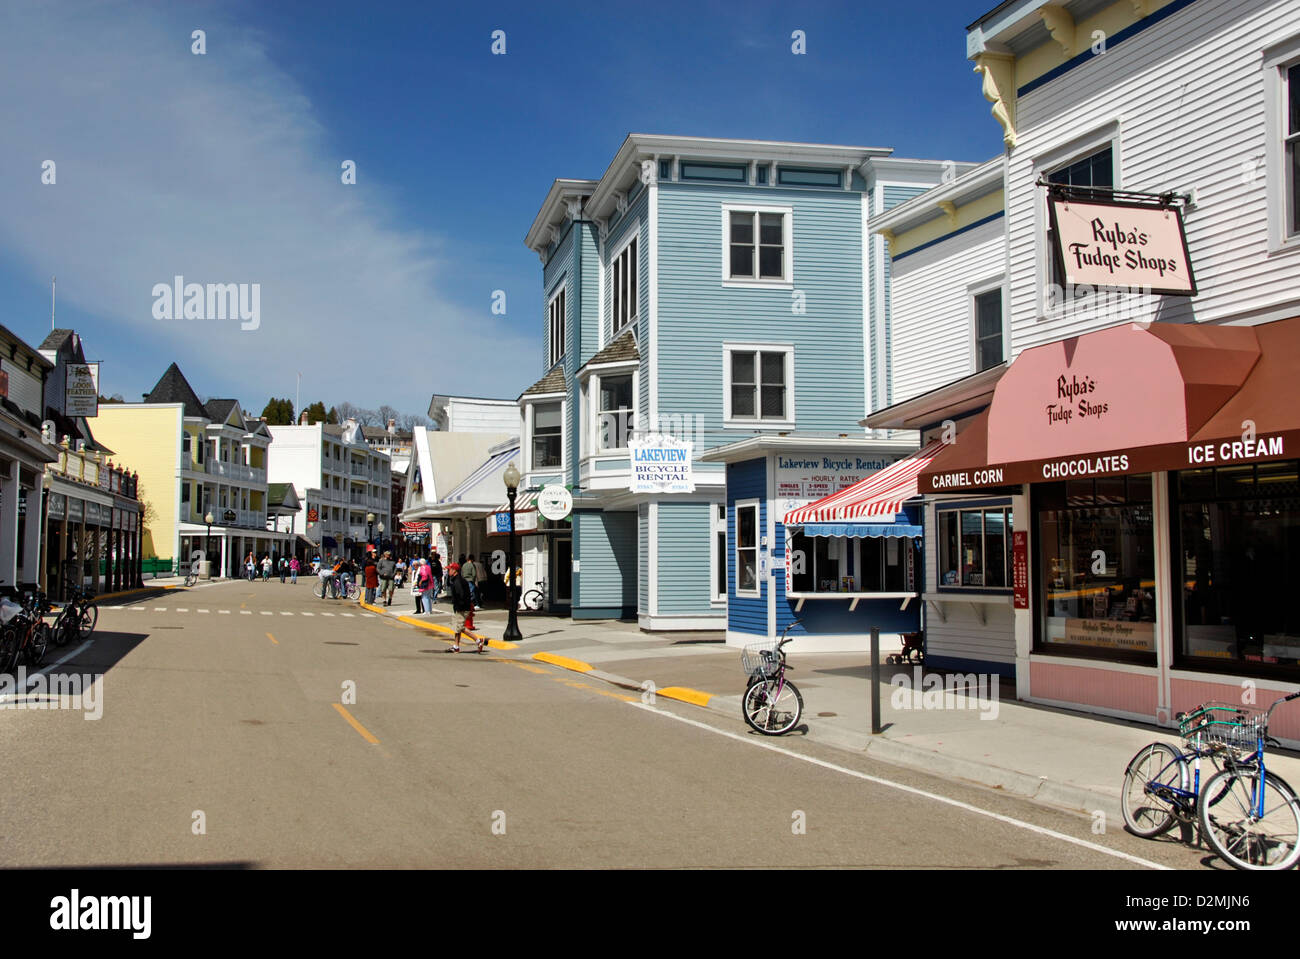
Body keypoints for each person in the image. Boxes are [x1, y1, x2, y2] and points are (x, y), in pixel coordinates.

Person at [445, 562, 482, 653]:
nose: (448, 571)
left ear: (454, 570)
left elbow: (460, 594)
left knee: (460, 627)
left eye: (449, 569)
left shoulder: (457, 581)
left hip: (462, 608)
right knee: (457, 628)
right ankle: (456, 646)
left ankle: (478, 640)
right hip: (462, 607)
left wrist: (459, 605)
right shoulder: (457, 579)